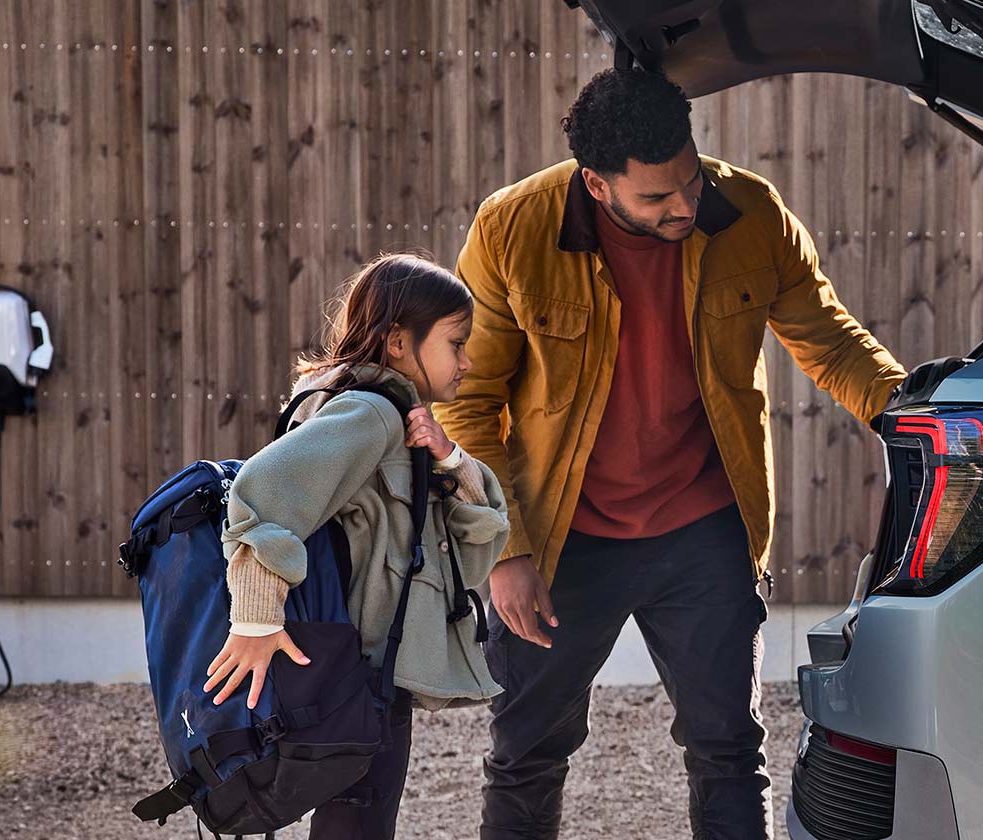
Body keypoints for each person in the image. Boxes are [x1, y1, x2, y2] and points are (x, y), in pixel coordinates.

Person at [432, 68, 907, 839]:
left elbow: (830, 342)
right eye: (656, 198)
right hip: (561, 539)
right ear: (596, 183)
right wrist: (504, 549)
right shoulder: (512, 229)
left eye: (688, 180)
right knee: (526, 752)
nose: (684, 205)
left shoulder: (750, 213)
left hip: (705, 531)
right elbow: (467, 403)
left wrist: (912, 410)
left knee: (728, 749)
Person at [206, 253, 512, 839]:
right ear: (398, 342)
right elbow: (260, 500)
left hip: (365, 669)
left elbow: (469, 549)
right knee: (360, 822)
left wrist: (450, 459)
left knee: (356, 819)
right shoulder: (369, 414)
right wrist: (254, 621)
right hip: (359, 672)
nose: (467, 362)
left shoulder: (389, 415)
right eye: (456, 343)